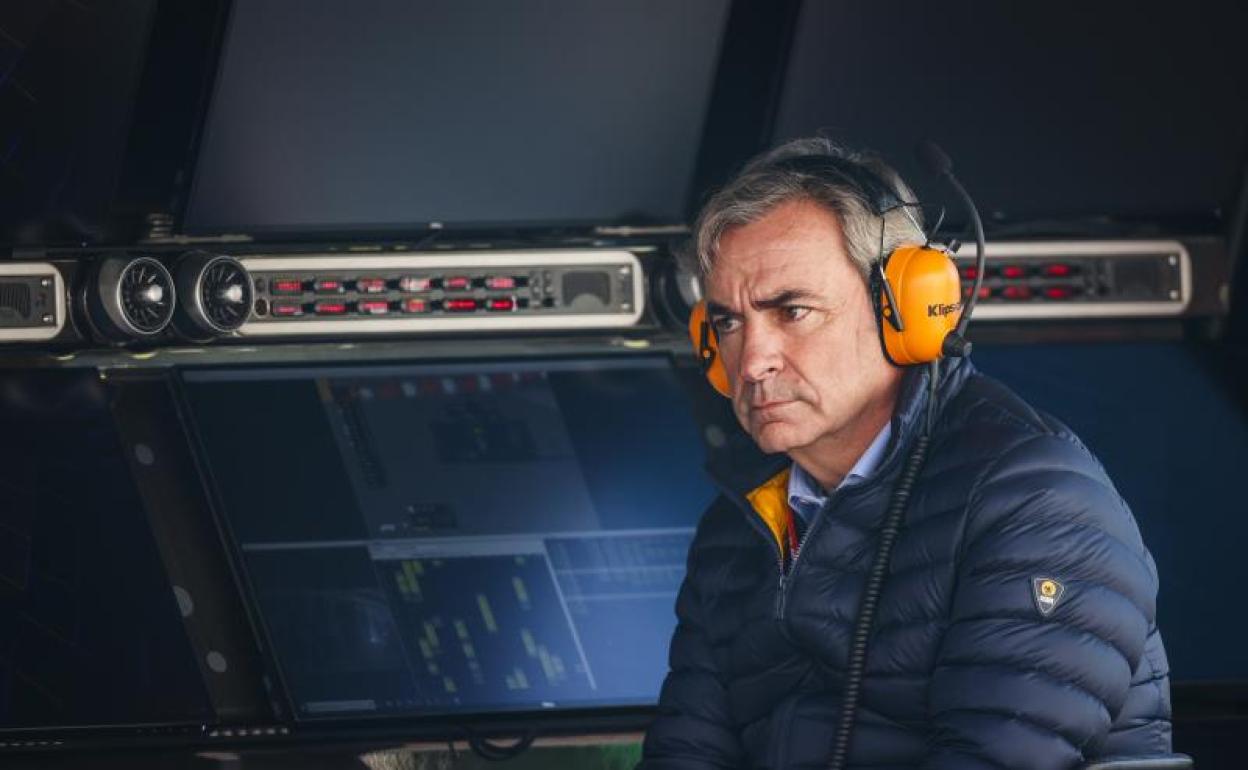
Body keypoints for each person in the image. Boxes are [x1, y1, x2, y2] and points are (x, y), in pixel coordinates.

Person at [639, 138, 1172, 769]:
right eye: (728, 323)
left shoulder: (1035, 503)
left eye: (793, 310)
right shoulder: (738, 529)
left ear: (905, 309)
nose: (752, 361)